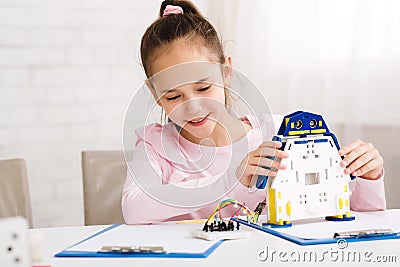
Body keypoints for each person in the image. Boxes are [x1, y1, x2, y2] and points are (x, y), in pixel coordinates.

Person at [122, 0, 385, 224]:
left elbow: (348, 217)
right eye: (173, 96)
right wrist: (231, 179)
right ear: (155, 94)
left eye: (203, 88)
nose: (192, 106)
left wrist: (369, 180)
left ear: (226, 72)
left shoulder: (280, 133)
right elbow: (134, 209)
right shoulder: (155, 145)